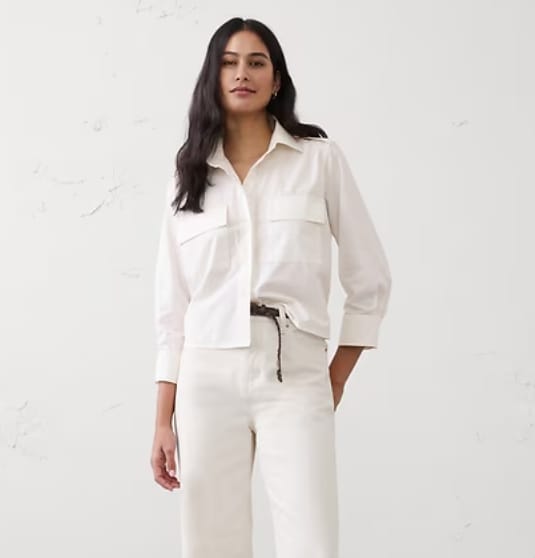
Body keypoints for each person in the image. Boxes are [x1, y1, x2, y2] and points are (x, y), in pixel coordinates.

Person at [150, 16, 392, 558]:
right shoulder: (188, 174)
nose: (243, 73)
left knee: (312, 542)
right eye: (229, 63)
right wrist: (163, 419)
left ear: (276, 79)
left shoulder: (318, 160)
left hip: (295, 369)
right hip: (207, 374)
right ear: (213, 78)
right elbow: (172, 307)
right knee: (211, 544)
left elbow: (370, 276)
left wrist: (334, 377)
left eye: (257, 62)